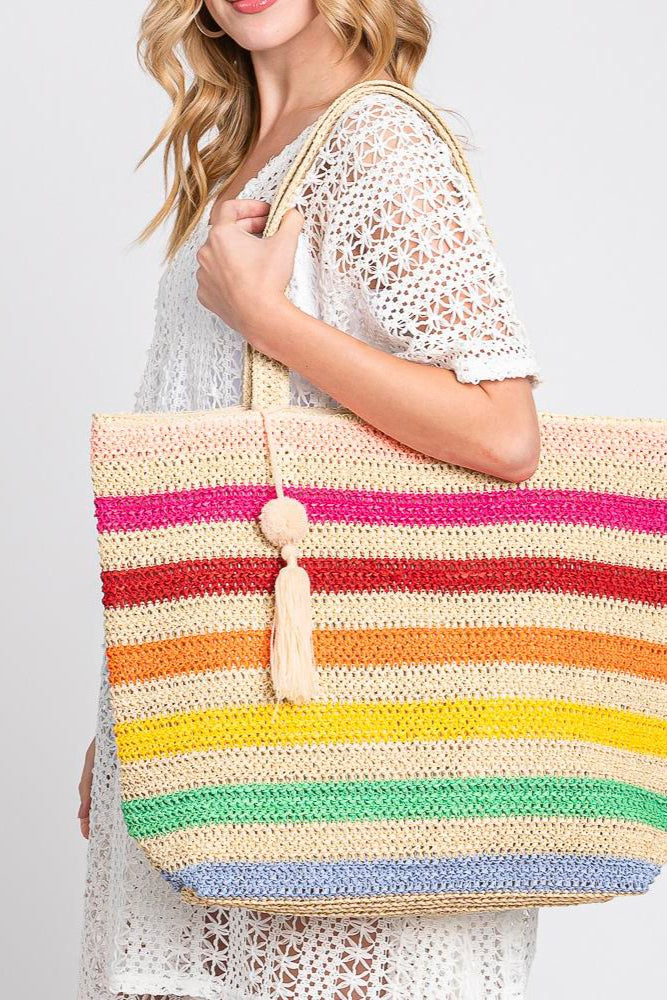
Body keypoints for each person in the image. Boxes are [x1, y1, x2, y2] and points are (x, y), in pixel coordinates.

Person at [77, 2, 543, 997]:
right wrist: (136, 701)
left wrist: (265, 318)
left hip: (329, 738)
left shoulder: (373, 138)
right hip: (216, 714)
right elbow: (214, 448)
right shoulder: (243, 148)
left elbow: (502, 429)